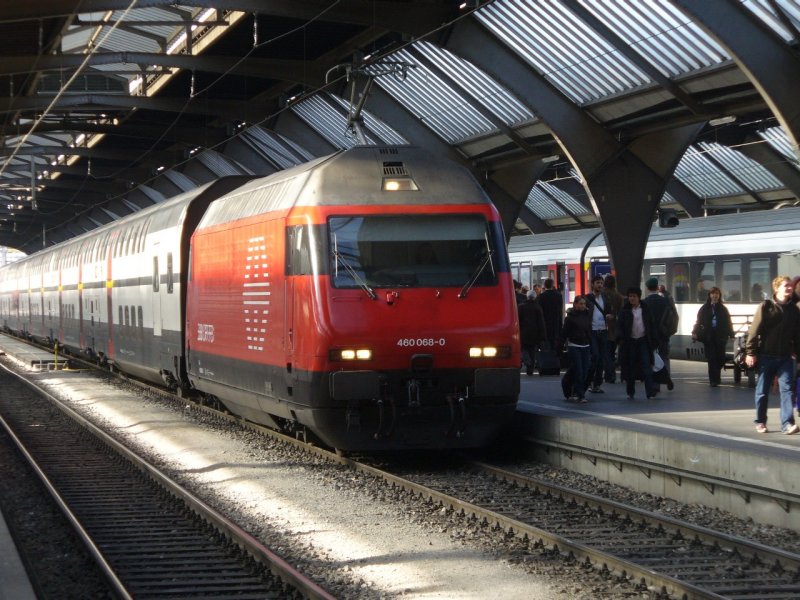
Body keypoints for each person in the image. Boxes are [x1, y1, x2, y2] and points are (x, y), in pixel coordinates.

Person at [745, 276, 800, 434]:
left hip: (785, 357)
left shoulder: (794, 310)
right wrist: (751, 352)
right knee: (762, 391)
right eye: (785, 286)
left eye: (790, 286)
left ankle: (787, 424)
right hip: (766, 356)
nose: (789, 288)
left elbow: (798, 335)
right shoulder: (766, 306)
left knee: (788, 390)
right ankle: (761, 421)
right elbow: (754, 331)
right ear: (776, 288)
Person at [617, 286, 658, 400]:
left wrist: (654, 341)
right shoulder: (625, 310)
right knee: (630, 367)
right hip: (630, 342)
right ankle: (630, 392)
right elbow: (620, 326)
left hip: (643, 341)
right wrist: (620, 339)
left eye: (634, 296)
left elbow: (651, 325)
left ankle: (650, 392)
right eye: (630, 296)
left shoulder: (645, 309)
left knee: (646, 366)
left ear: (639, 297)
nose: (632, 299)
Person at [692, 287, 734, 387]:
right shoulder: (704, 308)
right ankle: (713, 380)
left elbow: (728, 323)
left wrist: (731, 335)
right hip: (709, 336)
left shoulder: (723, 309)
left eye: (717, 294)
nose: (715, 296)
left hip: (721, 336)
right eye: (713, 294)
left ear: (719, 296)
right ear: (709, 295)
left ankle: (717, 376)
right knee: (711, 358)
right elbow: (699, 322)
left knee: (720, 358)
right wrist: (694, 332)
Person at [642, 277, 675, 391]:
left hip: (651, 336)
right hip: (664, 334)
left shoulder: (645, 303)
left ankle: (656, 384)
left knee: (653, 359)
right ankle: (667, 379)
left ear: (647, 288)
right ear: (657, 287)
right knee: (664, 357)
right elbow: (673, 317)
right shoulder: (665, 301)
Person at [560, 296, 592, 403]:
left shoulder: (587, 315)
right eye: (581, 304)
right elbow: (564, 333)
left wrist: (591, 343)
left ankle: (571, 386)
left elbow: (589, 331)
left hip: (585, 345)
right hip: (574, 345)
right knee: (579, 370)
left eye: (584, 304)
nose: (583, 306)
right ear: (575, 304)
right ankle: (580, 395)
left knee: (585, 370)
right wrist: (559, 347)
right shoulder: (570, 318)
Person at [584, 275, 611, 393]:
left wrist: (611, 316)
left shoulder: (605, 298)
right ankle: (589, 381)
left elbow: (609, 311)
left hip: (603, 330)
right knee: (595, 356)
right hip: (592, 331)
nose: (600, 285)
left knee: (601, 358)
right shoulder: (587, 298)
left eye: (601, 283)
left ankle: (597, 384)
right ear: (592, 284)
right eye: (598, 283)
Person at [518, 290, 546, 376]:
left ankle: (526, 360)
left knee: (523, 348)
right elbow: (541, 322)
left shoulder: (520, 307)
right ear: (535, 297)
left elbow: (518, 320)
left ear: (527, 297)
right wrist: (543, 335)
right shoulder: (537, 307)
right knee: (532, 351)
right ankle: (530, 371)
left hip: (523, 331)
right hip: (535, 332)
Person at [603, 274, 624, 383]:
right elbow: (621, 312)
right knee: (611, 352)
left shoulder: (603, 295)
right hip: (615, 329)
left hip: (605, 327)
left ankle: (609, 375)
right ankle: (611, 374)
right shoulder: (619, 296)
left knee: (607, 353)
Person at [538, 278, 564, 352]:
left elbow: (540, 311)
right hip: (556, 322)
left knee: (547, 345)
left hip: (545, 323)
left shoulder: (541, 296)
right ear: (553, 285)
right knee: (555, 344)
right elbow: (560, 310)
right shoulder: (558, 295)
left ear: (544, 285)